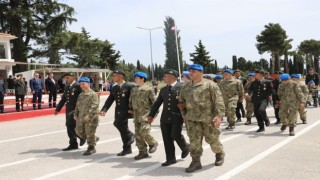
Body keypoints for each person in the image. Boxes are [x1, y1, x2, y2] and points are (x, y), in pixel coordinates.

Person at [179, 64, 225, 173]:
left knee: (212, 140)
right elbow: (181, 103)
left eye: (193, 71)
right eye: (189, 71)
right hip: (192, 119)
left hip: (208, 119)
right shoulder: (185, 87)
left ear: (201, 72)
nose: (190, 73)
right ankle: (196, 162)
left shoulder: (210, 85)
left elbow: (218, 101)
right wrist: (184, 115)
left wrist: (218, 116)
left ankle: (219, 153)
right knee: (194, 142)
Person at [148, 69, 189, 166]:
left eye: (165, 76)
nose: (163, 78)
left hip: (177, 117)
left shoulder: (183, 87)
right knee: (167, 139)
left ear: (172, 77)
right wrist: (151, 115)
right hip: (165, 118)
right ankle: (170, 159)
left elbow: (190, 101)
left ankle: (185, 147)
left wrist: (186, 112)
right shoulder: (163, 89)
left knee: (175, 135)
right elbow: (157, 103)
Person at [100, 70, 135, 156]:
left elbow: (134, 99)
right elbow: (110, 100)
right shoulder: (114, 87)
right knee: (122, 130)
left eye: (115, 75)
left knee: (117, 123)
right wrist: (104, 110)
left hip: (127, 110)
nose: (113, 77)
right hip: (118, 111)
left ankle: (131, 134)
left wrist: (133, 109)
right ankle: (127, 149)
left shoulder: (130, 86)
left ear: (121, 76)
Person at [128, 72, 158, 160]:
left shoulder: (149, 90)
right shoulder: (134, 90)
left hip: (146, 115)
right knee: (138, 135)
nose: (135, 79)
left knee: (144, 131)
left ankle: (153, 143)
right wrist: (131, 109)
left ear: (142, 79)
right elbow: (131, 101)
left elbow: (155, 104)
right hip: (136, 116)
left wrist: (153, 116)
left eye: (136, 78)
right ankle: (143, 152)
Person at [55, 72, 85, 151]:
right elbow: (63, 99)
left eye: (68, 78)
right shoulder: (67, 87)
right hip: (68, 110)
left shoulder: (78, 86)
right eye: (65, 78)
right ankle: (73, 144)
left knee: (69, 124)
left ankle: (82, 137)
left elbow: (82, 98)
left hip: (76, 109)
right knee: (70, 127)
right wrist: (58, 109)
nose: (66, 79)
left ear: (73, 77)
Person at [74, 77, 100, 155]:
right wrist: (75, 114)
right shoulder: (81, 95)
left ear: (88, 84)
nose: (81, 85)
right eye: (80, 84)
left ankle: (91, 148)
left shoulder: (93, 94)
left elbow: (95, 106)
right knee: (78, 131)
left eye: (83, 84)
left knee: (89, 132)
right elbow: (77, 105)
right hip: (81, 117)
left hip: (91, 118)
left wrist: (89, 115)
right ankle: (94, 138)